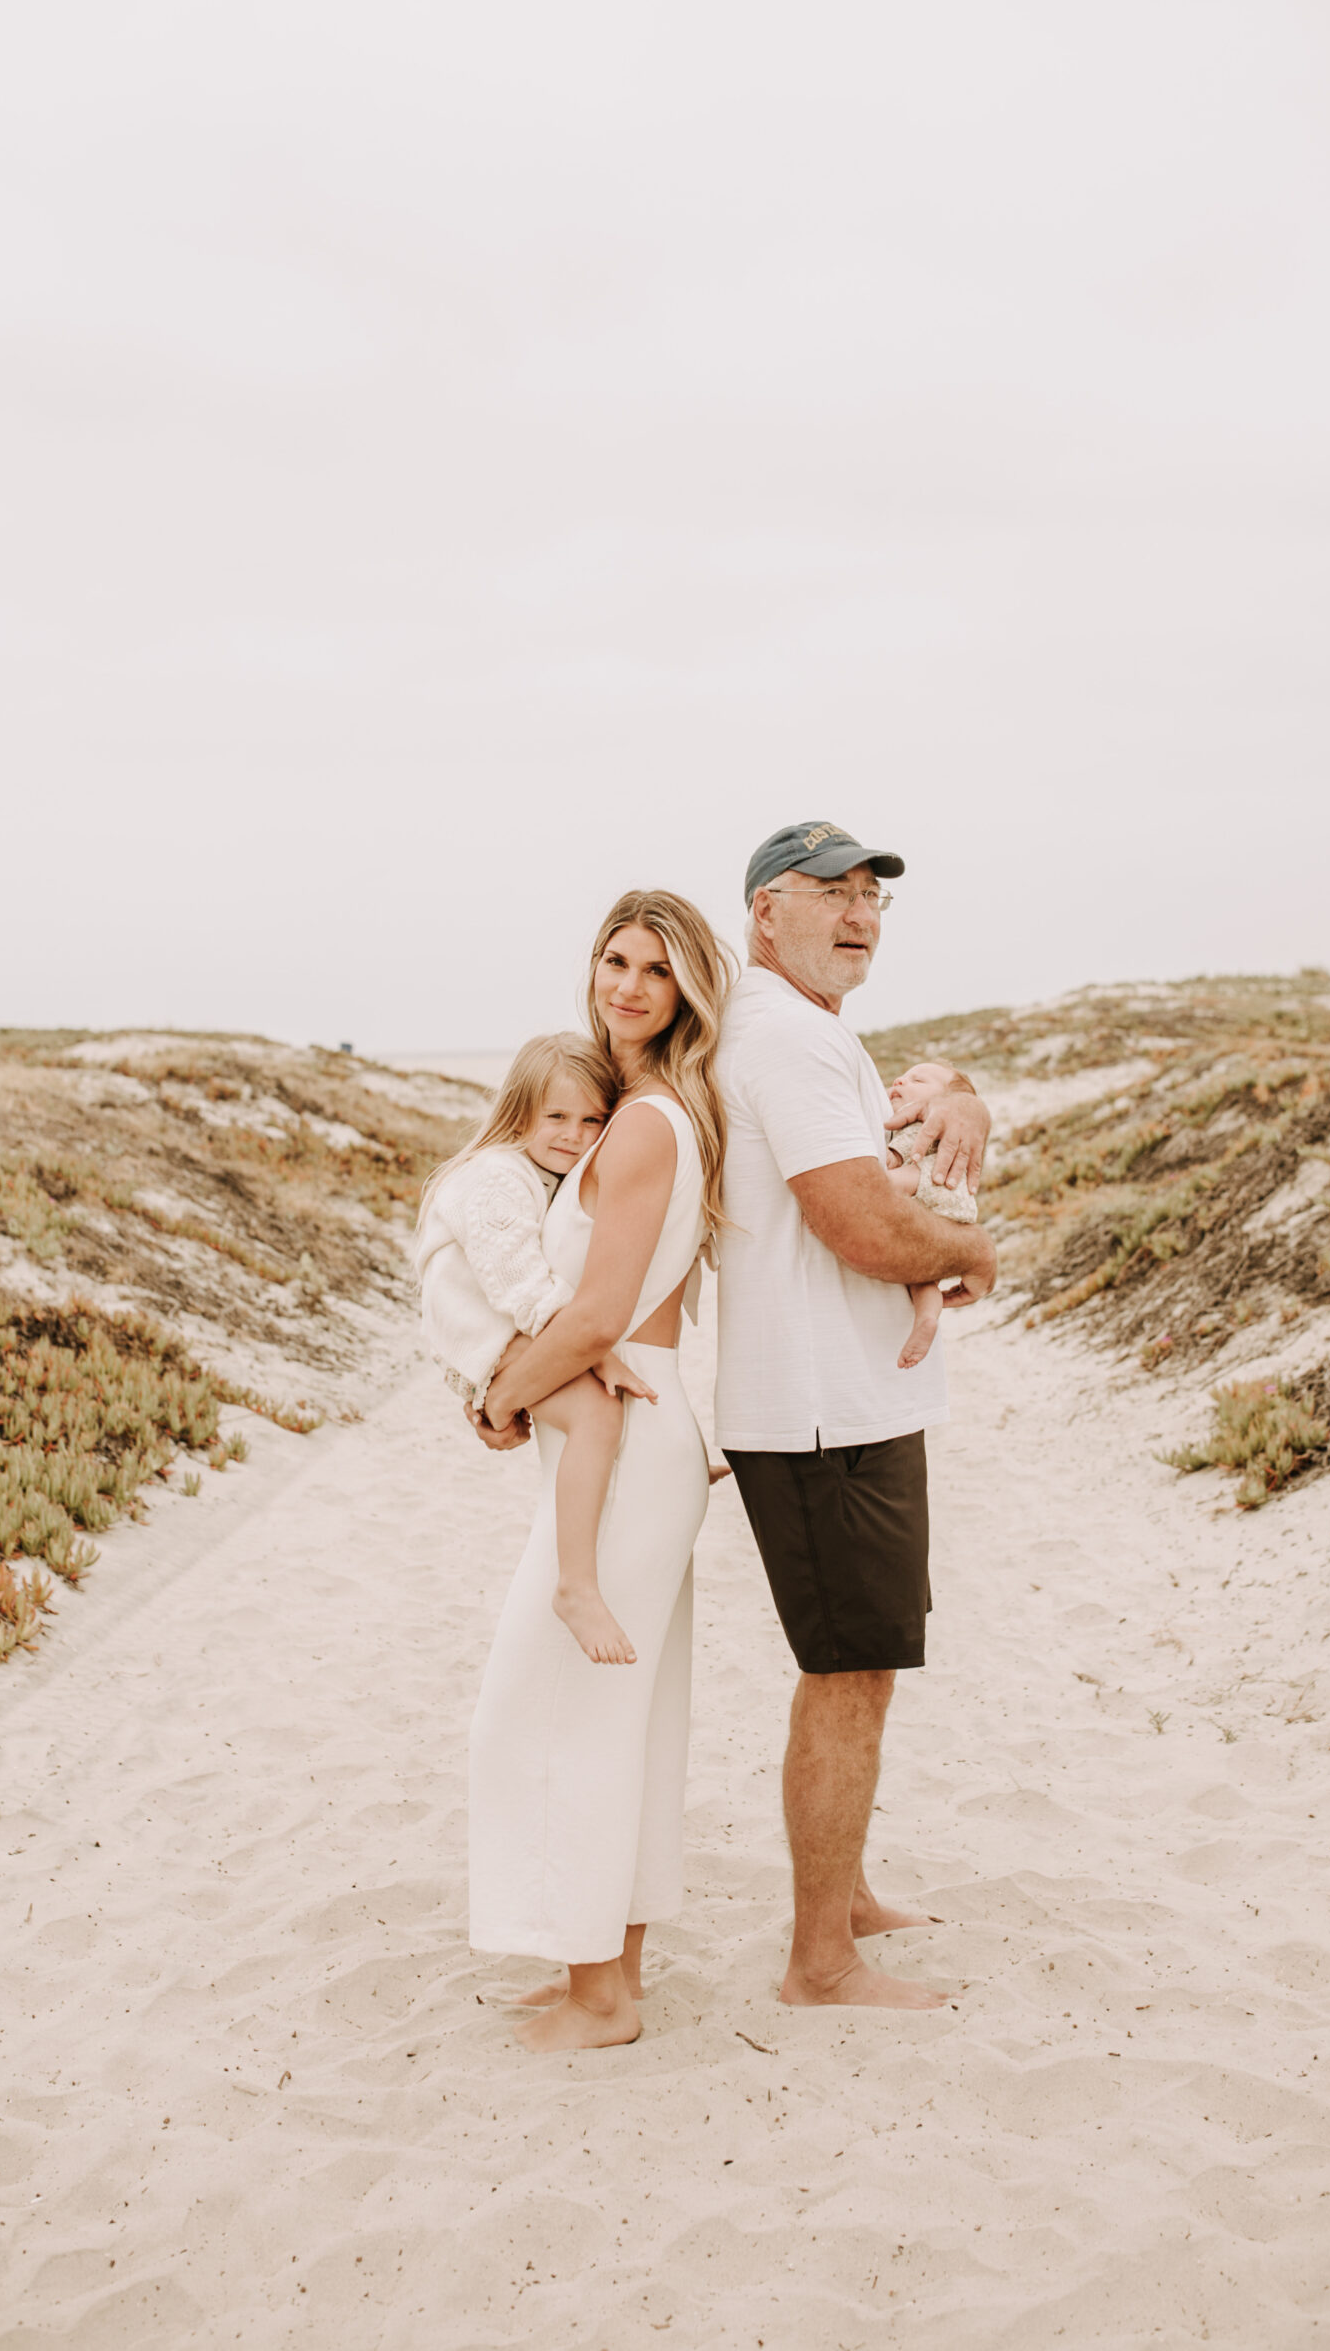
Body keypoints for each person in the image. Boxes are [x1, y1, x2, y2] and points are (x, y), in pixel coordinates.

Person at [714, 820, 996, 2010]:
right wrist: (972, 1247)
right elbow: (863, 1223)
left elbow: (893, 1153)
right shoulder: (781, 1033)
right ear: (763, 913)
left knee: (865, 1668)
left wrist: (968, 1096)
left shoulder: (812, 1030)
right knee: (846, 1670)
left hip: (851, 1399)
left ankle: (848, 1896)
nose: (859, 913)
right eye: (828, 892)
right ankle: (820, 1961)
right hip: (821, 1414)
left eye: (874, 897)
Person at [465, 890, 735, 2053]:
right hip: (640, 1425)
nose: (625, 986)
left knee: (550, 1703)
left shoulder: (643, 1126)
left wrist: (500, 1392)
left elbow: (600, 1314)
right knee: (619, 1709)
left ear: (686, 992)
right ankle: (606, 1974)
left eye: (654, 971)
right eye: (612, 959)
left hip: (631, 1422)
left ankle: (599, 1997)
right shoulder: (656, 1108)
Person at [414, 1032, 657, 1665]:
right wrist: (594, 1350)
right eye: (555, 1117)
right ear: (520, 1112)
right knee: (596, 1412)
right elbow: (519, 1281)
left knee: (605, 1413)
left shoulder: (539, 1173)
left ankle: (656, 1464)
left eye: (591, 1121)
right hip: (486, 1330)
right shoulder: (495, 1177)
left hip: (506, 1326)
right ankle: (575, 1585)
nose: (573, 1135)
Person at [885, 1059, 987, 1371]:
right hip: (950, 1205)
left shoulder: (920, 1122)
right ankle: (927, 1317)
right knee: (921, 1274)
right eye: (902, 1075)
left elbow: (896, 1157)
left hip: (930, 1183)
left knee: (886, 1181)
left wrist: (881, 1163)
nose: (901, 1080)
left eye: (918, 1079)